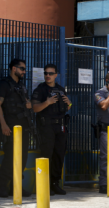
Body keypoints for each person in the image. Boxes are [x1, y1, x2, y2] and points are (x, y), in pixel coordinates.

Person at [0, 59, 33, 198]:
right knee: (10, 158)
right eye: (22, 69)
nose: (24, 71)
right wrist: (3, 125)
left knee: (22, 159)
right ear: (13, 69)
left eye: (24, 69)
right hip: (10, 127)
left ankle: (16, 187)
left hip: (24, 127)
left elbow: (26, 102)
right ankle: (2, 187)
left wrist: (29, 104)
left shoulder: (21, 85)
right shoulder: (4, 84)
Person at [32, 64, 71, 195]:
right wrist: (47, 102)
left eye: (50, 73)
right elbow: (35, 108)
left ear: (56, 75)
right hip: (46, 126)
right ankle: (44, 184)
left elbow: (67, 107)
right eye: (45, 73)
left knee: (59, 155)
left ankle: (55, 183)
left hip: (60, 126)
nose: (47, 76)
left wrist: (69, 103)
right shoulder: (40, 89)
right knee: (46, 155)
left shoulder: (60, 89)